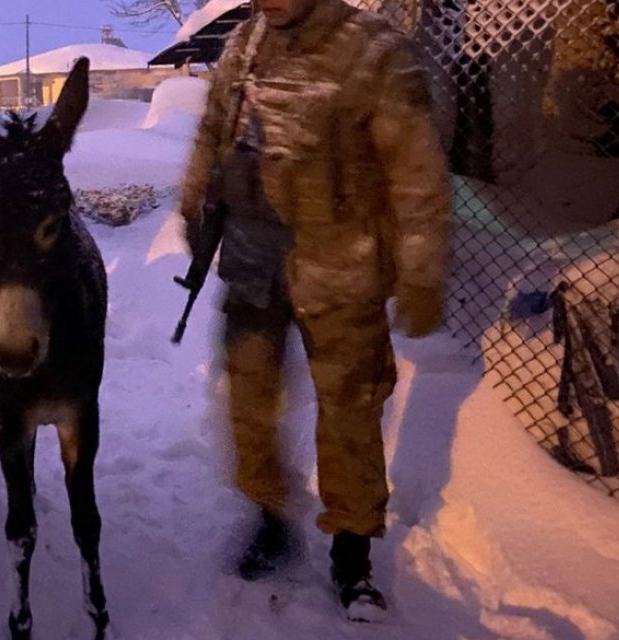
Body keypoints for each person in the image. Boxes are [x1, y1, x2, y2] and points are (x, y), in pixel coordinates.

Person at [178, 0, 452, 619]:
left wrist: (420, 269)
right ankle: (270, 516)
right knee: (249, 401)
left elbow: (417, 171)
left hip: (341, 266)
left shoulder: (373, 49)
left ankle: (351, 553)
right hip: (252, 259)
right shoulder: (244, 44)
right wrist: (193, 206)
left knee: (350, 409)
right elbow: (211, 133)